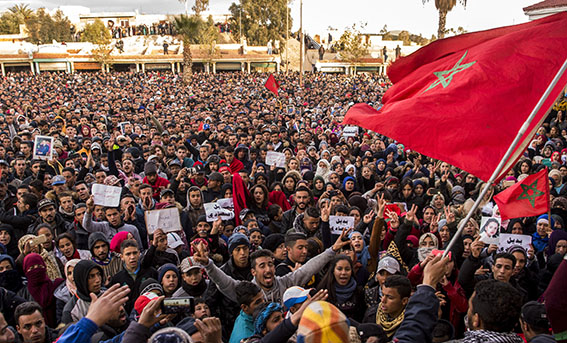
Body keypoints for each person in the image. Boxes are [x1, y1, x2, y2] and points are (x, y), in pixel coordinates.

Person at [192, 227, 353, 305]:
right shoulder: (247, 291)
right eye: (262, 266)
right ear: (253, 271)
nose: (268, 269)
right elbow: (224, 282)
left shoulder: (285, 282)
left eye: (270, 264)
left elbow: (309, 268)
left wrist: (332, 250)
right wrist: (208, 265)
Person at [108, 240, 158, 313]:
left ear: (139, 254)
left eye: (135, 253)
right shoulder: (117, 279)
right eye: (128, 254)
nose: (132, 257)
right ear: (122, 257)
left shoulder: (151, 272)